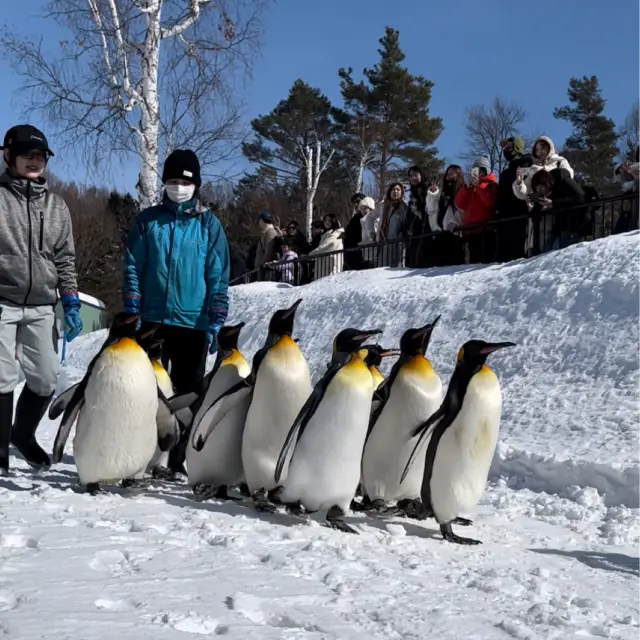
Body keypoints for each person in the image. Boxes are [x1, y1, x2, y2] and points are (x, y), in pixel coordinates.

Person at [122, 148, 230, 477]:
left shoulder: (208, 226)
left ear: (195, 184)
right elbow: (132, 266)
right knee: (145, 391)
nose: (178, 185)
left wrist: (215, 318)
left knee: (188, 394)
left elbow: (217, 275)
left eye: (184, 181)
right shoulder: (147, 222)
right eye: (171, 179)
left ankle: (177, 459)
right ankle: (141, 452)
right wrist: (132, 308)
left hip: (192, 322)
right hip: (151, 320)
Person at [0, 124, 82, 474]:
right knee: (2, 376)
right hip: (2, 300)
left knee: (47, 378)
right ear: (8, 156)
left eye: (40, 156)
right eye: (27, 155)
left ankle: (22, 434)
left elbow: (65, 258)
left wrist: (72, 299)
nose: (35, 162)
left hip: (41, 306)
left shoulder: (57, 206)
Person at [527, 168, 586, 255]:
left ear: (547, 182)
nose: (539, 190)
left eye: (540, 186)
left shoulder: (563, 179)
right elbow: (536, 212)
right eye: (536, 188)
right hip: (560, 226)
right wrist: (534, 203)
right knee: (547, 250)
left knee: (557, 251)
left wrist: (553, 202)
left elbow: (580, 197)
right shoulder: (546, 192)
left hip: (575, 223)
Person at [496, 137, 534, 262]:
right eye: (504, 148)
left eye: (509, 147)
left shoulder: (528, 166)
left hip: (521, 217)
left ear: (516, 148)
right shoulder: (505, 173)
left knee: (518, 255)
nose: (506, 150)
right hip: (505, 219)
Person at [454, 157, 498, 263]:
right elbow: (459, 204)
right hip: (471, 231)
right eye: (476, 170)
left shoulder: (491, 185)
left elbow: (489, 202)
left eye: (481, 170)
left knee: (484, 262)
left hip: (485, 231)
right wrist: (465, 188)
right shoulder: (470, 187)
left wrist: (479, 186)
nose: (479, 173)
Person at [425, 164, 466, 266]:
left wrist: (455, 222)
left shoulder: (463, 189)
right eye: (448, 174)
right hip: (442, 233)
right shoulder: (443, 193)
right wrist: (433, 194)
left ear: (459, 175)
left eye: (452, 173)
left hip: (456, 234)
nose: (449, 176)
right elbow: (431, 210)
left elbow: (463, 209)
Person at [378, 182, 409, 267]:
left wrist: (401, 236)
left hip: (398, 243)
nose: (395, 191)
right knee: (382, 268)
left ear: (401, 192)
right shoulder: (384, 206)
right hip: (384, 242)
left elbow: (406, 224)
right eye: (393, 189)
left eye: (398, 190)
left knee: (396, 268)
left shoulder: (404, 207)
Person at [308, 213, 344, 280]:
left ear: (334, 221)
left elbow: (323, 247)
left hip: (330, 267)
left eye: (329, 220)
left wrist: (310, 255)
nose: (327, 222)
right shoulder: (327, 234)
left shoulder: (334, 234)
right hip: (324, 266)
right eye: (325, 220)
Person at [254, 211, 280, 277]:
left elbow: (269, 252)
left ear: (262, 221)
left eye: (260, 220)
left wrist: (262, 264)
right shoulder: (266, 233)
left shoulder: (270, 232)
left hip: (267, 271)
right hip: (263, 271)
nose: (259, 223)